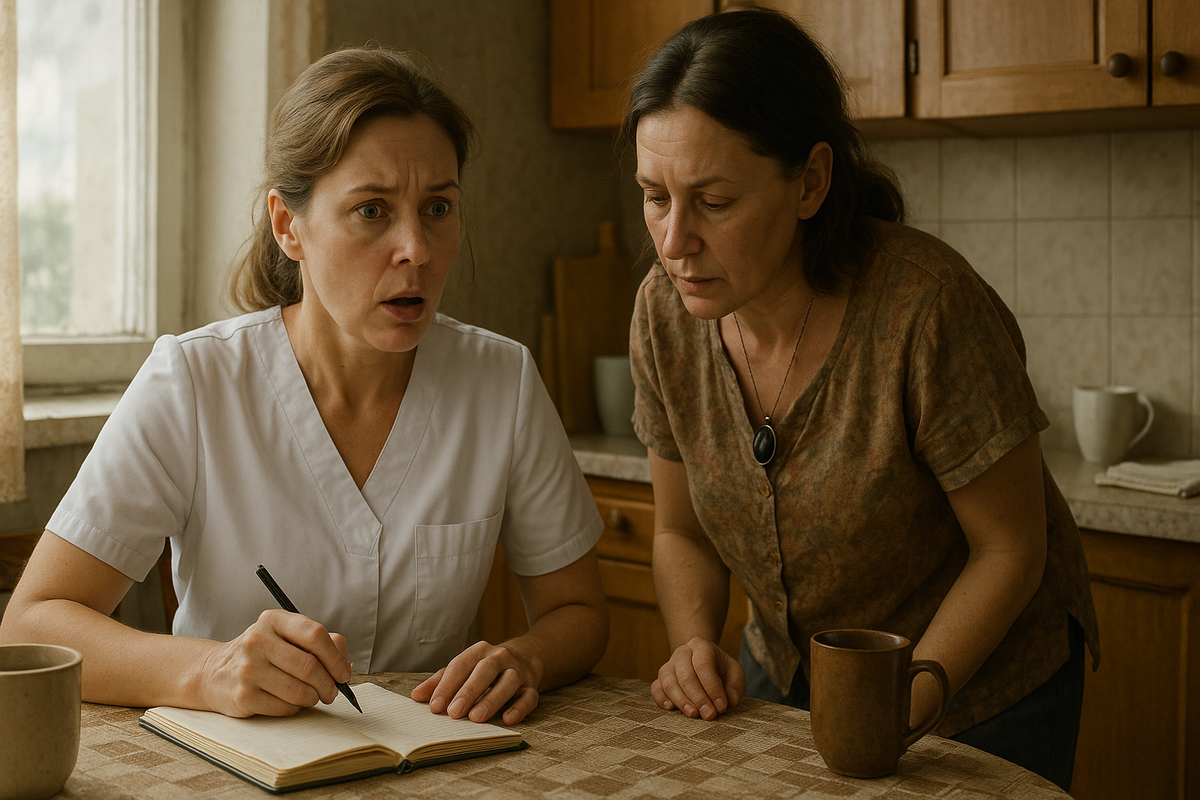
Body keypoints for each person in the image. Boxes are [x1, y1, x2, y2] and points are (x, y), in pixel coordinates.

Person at [0, 46, 609, 726]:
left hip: (438, 763)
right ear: (288, 226)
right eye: (372, 210)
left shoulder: (503, 382)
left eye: (438, 207)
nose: (417, 248)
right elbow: (32, 623)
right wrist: (209, 671)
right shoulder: (193, 383)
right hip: (236, 765)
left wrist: (527, 657)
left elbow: (577, 611)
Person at [620, 8, 1098, 790]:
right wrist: (693, 644)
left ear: (810, 181)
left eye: (714, 202)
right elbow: (681, 532)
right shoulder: (661, 313)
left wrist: (907, 702)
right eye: (655, 197)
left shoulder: (927, 306)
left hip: (980, 692)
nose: (674, 243)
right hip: (787, 671)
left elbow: (1011, 548)